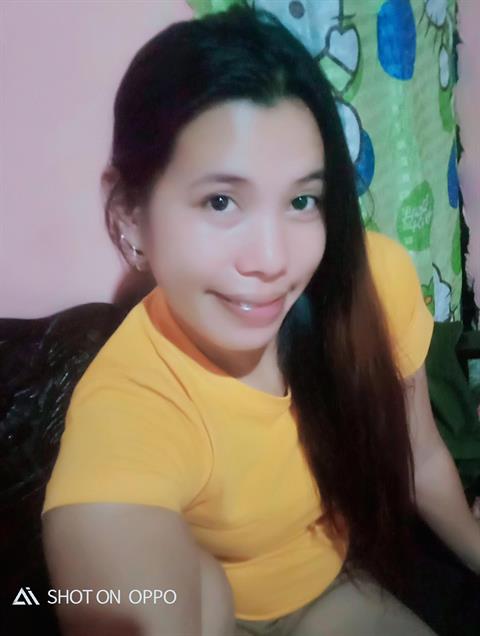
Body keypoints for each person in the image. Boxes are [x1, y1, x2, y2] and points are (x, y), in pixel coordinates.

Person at [41, 5, 479, 635]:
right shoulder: (133, 400)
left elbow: (420, 455)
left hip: (336, 589)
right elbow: (116, 565)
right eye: (221, 201)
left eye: (302, 200)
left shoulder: (370, 284)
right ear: (132, 216)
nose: (273, 260)